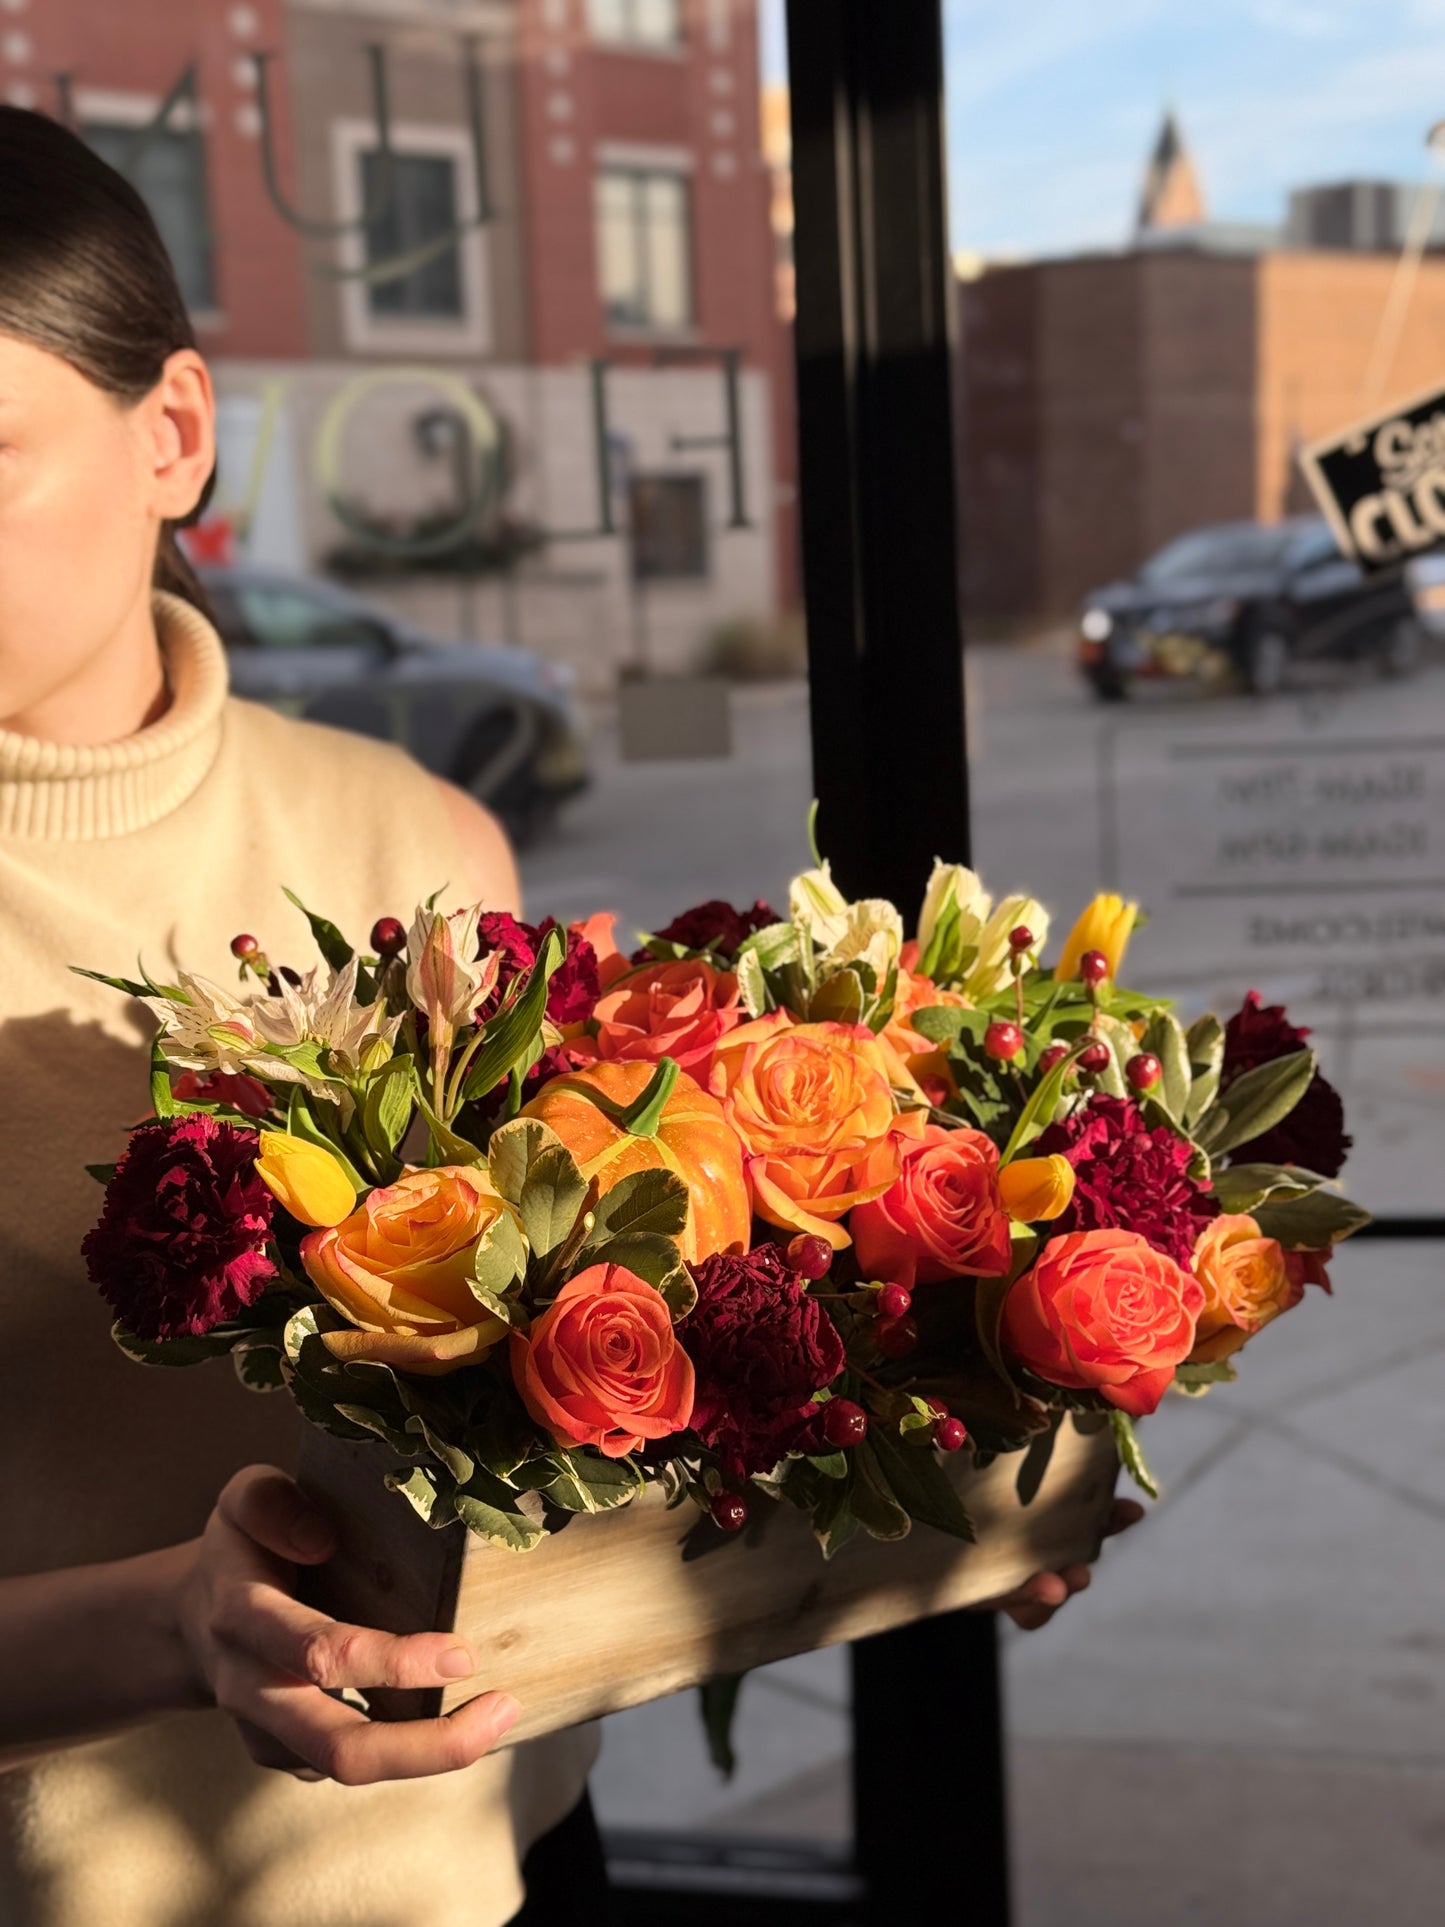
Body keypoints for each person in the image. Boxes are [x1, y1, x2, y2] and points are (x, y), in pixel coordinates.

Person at [0, 107, 1135, 1927]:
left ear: (174, 433)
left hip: (513, 1869)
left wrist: (927, 1467)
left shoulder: (410, 841)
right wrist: (168, 1630)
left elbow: (556, 1418)